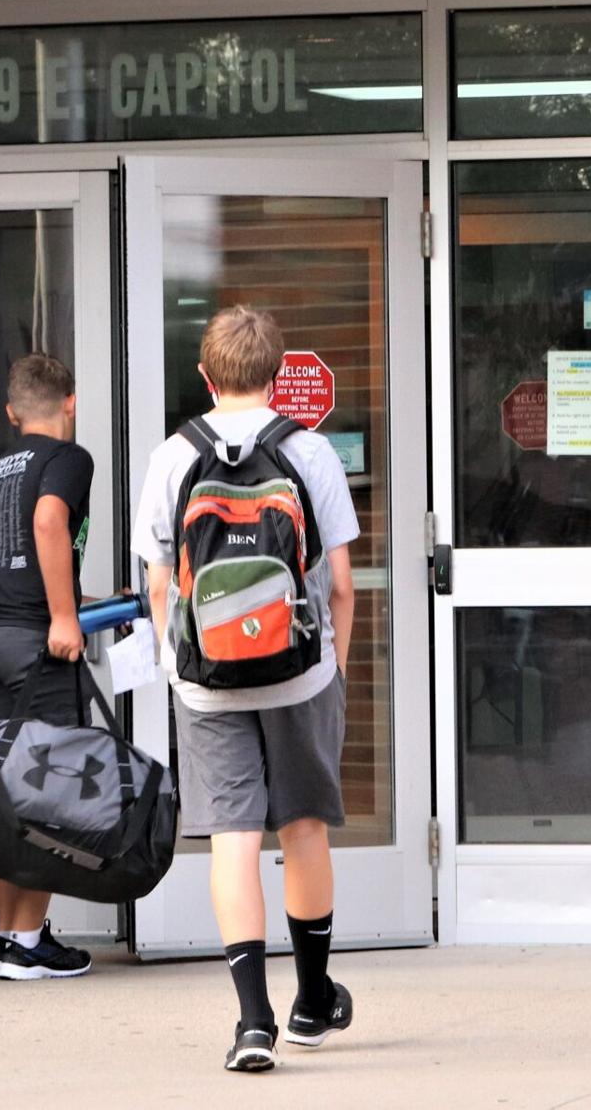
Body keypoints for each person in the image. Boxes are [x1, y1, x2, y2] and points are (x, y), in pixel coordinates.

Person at [131, 306, 358, 1071]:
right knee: (302, 830)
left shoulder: (171, 456)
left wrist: (178, 665)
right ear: (275, 371)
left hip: (206, 682)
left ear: (206, 375)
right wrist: (334, 669)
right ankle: (313, 1001)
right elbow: (343, 588)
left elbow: (160, 585)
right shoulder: (311, 451)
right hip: (301, 674)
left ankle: (253, 1022)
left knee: (233, 837)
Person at [0, 352, 96, 981]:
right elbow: (48, 522)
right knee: (48, 783)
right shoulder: (68, 458)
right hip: (28, 644)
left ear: (11, 413)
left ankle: (9, 936)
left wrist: (76, 602)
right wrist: (64, 618)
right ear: (70, 402)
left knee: (6, 787)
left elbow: (14, 552)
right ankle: (29, 939)